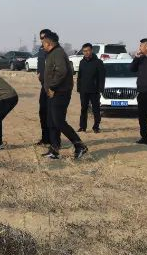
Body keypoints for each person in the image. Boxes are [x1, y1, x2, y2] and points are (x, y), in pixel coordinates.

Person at [41, 31, 88, 160]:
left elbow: (62, 71)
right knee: (51, 122)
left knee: (59, 121)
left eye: (43, 43)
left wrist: (52, 86)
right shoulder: (52, 53)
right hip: (53, 93)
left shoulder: (58, 53)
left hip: (60, 93)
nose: (42, 46)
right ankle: (54, 150)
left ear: (48, 43)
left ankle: (79, 145)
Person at [76, 43, 106, 133]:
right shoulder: (82, 62)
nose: (86, 53)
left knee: (96, 109)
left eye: (88, 50)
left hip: (95, 90)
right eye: (84, 51)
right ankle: (82, 127)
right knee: (83, 108)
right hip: (84, 90)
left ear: (92, 51)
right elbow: (79, 76)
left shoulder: (98, 62)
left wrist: (101, 89)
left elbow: (102, 77)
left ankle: (96, 127)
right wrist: (79, 87)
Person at [34, 28, 52, 147]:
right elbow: (40, 63)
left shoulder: (53, 50)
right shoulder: (41, 49)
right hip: (43, 86)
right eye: (40, 38)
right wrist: (38, 72)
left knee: (51, 114)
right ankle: (45, 138)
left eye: (44, 37)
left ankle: (53, 139)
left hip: (51, 86)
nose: (42, 40)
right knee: (42, 112)